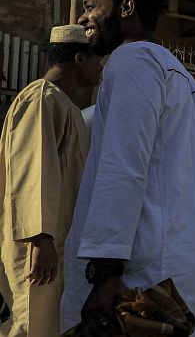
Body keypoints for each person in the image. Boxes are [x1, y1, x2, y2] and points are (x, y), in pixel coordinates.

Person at [61, 0, 195, 334]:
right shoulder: (178, 74)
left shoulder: (132, 61)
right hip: (176, 264)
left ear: (126, 8)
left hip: (140, 275)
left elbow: (123, 169)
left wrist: (106, 275)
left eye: (91, 6)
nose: (83, 18)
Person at [0, 25, 100, 336]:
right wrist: (41, 239)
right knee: (30, 324)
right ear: (81, 59)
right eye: (98, 60)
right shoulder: (41, 99)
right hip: (37, 246)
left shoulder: (65, 104)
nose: (101, 68)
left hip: (56, 243)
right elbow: (31, 170)